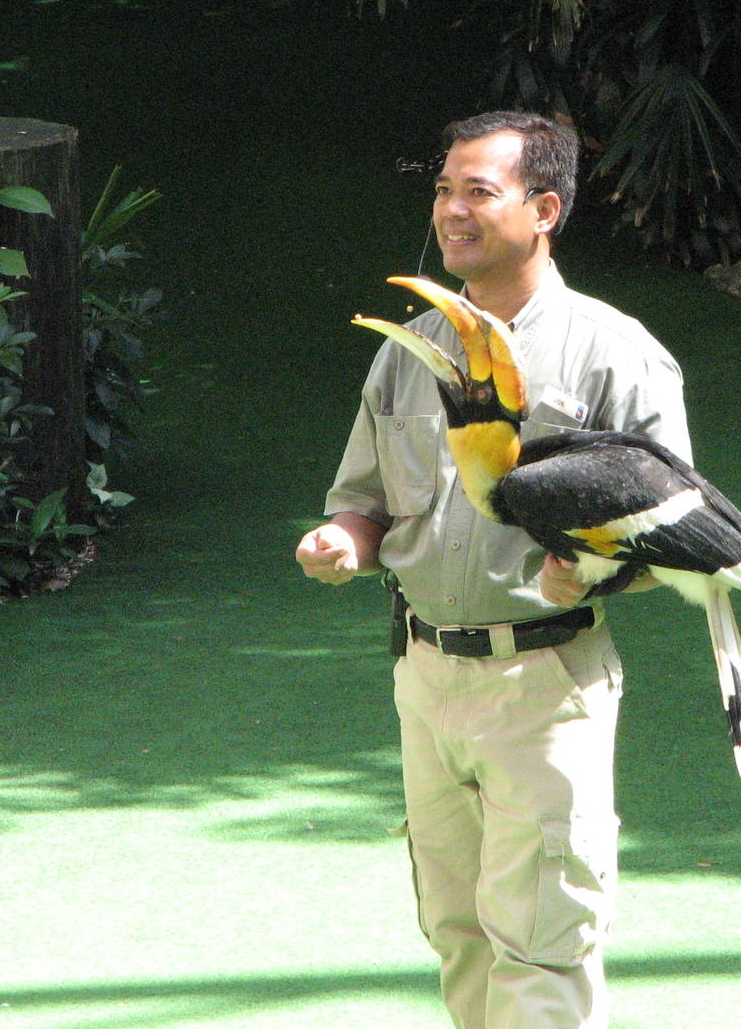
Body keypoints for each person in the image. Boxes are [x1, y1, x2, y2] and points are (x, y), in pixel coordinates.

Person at [295, 110, 693, 1028]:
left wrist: (590, 576)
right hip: (425, 675)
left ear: (544, 208)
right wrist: (344, 543)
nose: (451, 211)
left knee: (542, 938)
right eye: (443, 189)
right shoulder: (412, 350)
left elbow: (671, 533)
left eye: (479, 191)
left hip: (544, 679)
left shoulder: (614, 352)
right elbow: (365, 499)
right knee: (457, 928)